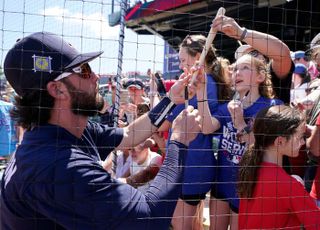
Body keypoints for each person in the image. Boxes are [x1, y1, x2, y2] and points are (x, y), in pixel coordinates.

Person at [0, 32, 202, 229]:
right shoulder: (55, 164)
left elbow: (129, 135)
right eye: (84, 70)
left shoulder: (63, 131)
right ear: (58, 89)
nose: (96, 77)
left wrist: (170, 100)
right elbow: (148, 218)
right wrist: (179, 141)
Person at [197, 54, 283, 229]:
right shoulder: (228, 106)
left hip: (247, 188)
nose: (237, 72)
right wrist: (201, 91)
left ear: (260, 76)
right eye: (235, 68)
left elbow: (267, 147)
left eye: (244, 68)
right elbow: (206, 127)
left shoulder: (272, 106)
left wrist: (240, 124)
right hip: (221, 183)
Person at [162, 34, 232, 230]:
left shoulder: (205, 84)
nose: (181, 65)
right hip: (192, 164)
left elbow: (164, 124)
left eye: (184, 60)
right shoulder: (205, 83)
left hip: (192, 165)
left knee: (179, 224)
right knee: (190, 223)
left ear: (198, 57)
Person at [238, 105, 320, 229]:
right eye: (299, 137)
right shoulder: (289, 185)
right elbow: (316, 223)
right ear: (280, 142)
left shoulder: (250, 167)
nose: (303, 142)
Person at [211, 14, 293, 104]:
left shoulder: (273, 75)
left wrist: (241, 33)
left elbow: (283, 53)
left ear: (264, 56)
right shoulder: (233, 102)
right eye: (243, 59)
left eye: (253, 53)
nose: (249, 59)